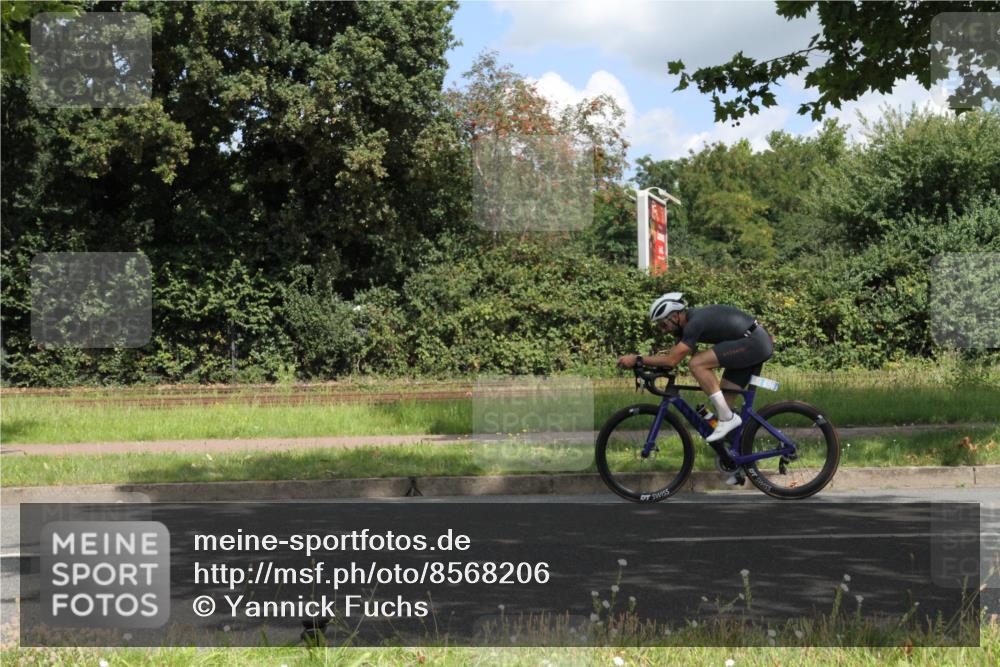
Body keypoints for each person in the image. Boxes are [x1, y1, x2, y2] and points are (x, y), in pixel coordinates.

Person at [617, 292, 773, 444]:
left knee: (697, 364)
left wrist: (638, 359)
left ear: (675, 317)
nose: (663, 330)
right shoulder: (686, 326)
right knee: (724, 402)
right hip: (749, 343)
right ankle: (737, 453)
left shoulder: (694, 323)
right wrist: (644, 365)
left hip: (754, 342)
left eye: (663, 324)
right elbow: (672, 358)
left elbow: (671, 361)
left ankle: (728, 419)